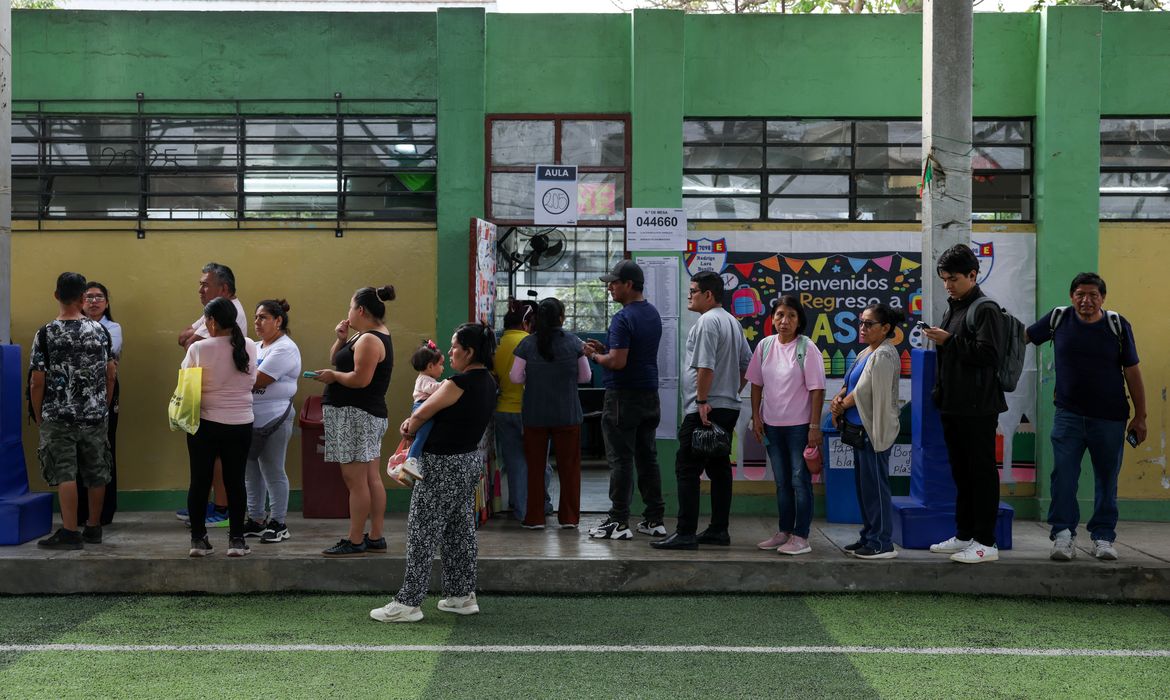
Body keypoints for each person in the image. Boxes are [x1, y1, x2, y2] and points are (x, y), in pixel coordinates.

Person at [370, 323, 498, 623]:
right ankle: (461, 595)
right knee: (460, 532)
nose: (450, 351)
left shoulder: (458, 382)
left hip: (441, 466)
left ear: (469, 352)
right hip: (467, 462)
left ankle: (408, 602)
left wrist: (410, 425)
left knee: (421, 533)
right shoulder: (489, 382)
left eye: (454, 347)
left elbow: (423, 412)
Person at [1025, 272, 1146, 562]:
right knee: (1063, 476)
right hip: (1068, 416)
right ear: (1071, 296)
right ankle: (1063, 535)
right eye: (1080, 294)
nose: (1086, 300)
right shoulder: (1059, 319)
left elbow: (1132, 372)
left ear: (1103, 298)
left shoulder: (1117, 325)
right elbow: (1023, 338)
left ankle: (1103, 537)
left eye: (1093, 295)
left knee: (1107, 479)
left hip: (1110, 418)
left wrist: (1140, 417)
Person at [652, 270, 751, 550]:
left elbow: (705, 365)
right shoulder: (732, 321)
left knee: (687, 468)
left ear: (709, 295)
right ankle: (719, 530)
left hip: (705, 409)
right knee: (719, 469)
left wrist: (703, 400)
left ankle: (685, 532)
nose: (689, 295)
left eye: (693, 291)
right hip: (726, 406)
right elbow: (748, 365)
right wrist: (731, 391)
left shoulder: (707, 322)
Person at [921, 244, 1007, 564]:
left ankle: (986, 542)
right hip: (954, 405)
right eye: (944, 278)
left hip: (979, 407)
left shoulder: (985, 308)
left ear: (973, 275)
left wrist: (950, 340)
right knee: (962, 473)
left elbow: (989, 355)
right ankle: (965, 534)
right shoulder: (954, 307)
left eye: (954, 278)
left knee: (981, 474)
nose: (948, 284)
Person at [29, 272, 115, 550]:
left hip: (59, 415)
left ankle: (69, 532)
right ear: (82, 298)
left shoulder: (46, 333)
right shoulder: (100, 331)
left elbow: (37, 380)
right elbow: (110, 373)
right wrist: (103, 404)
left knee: (65, 472)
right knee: (96, 471)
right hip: (95, 414)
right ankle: (93, 527)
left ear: (56, 295)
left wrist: (39, 412)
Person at [584, 260, 666, 541]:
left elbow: (618, 363)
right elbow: (629, 355)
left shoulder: (623, 317)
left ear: (629, 285)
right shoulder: (652, 314)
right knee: (647, 458)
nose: (610, 287)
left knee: (620, 459)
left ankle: (618, 521)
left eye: (614, 283)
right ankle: (654, 519)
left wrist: (594, 356)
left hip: (622, 398)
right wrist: (606, 349)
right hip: (649, 395)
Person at [314, 285, 396, 557]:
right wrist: (341, 339)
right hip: (361, 414)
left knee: (355, 480)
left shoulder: (371, 340)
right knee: (370, 477)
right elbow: (339, 360)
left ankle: (355, 539)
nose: (347, 313)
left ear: (361, 310)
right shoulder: (364, 335)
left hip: (357, 415)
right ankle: (375, 536)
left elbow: (360, 379)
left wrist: (333, 377)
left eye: (350, 307)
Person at [747, 296, 825, 556]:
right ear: (772, 318)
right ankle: (784, 532)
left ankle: (801, 536)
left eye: (791, 316)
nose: (785, 321)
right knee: (781, 482)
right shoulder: (765, 346)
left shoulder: (806, 347)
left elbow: (817, 390)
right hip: (772, 426)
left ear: (799, 320)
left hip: (799, 428)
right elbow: (756, 383)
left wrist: (814, 426)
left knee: (799, 481)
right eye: (780, 315)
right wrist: (757, 418)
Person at [181, 297, 258, 558]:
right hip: (240, 424)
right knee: (236, 481)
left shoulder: (199, 349)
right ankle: (237, 540)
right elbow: (253, 379)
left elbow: (185, 381)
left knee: (200, 482)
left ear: (211, 321)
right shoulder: (249, 345)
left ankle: (198, 540)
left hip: (204, 424)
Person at [175, 262, 247, 527]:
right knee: (215, 462)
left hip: (220, 405)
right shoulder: (214, 312)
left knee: (217, 462)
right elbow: (183, 337)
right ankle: (217, 508)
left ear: (224, 288)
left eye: (206, 284)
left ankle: (221, 508)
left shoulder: (231, 314)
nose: (201, 289)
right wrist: (191, 337)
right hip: (221, 405)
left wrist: (192, 339)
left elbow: (189, 343)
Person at [830, 304, 903, 560]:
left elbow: (865, 391)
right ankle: (869, 535)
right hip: (859, 431)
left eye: (869, 323)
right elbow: (850, 382)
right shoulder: (867, 352)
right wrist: (838, 399)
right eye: (861, 322)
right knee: (864, 487)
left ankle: (882, 542)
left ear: (885, 328)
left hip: (874, 431)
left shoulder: (884, 354)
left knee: (876, 487)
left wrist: (841, 404)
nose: (862, 327)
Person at [511, 297, 591, 530]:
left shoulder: (526, 344)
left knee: (535, 468)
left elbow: (515, 377)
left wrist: (533, 379)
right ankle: (568, 518)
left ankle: (535, 518)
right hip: (567, 415)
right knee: (569, 468)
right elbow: (585, 377)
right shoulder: (575, 343)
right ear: (561, 318)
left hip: (535, 414)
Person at [242, 299, 301, 545]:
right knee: (250, 471)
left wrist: (234, 375)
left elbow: (260, 379)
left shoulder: (285, 348)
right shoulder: (255, 347)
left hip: (274, 417)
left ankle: (278, 522)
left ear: (278, 321)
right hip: (249, 417)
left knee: (272, 470)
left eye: (263, 317)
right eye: (256, 317)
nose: (257, 322)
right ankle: (256, 519)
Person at [494, 300, 553, 522]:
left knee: (515, 463)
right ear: (526, 322)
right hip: (531, 412)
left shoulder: (496, 345)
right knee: (539, 462)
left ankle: (521, 510)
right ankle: (541, 506)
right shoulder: (531, 343)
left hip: (503, 411)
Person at [76, 281, 121, 527]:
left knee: (104, 447)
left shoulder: (113, 328)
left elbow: (106, 353)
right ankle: (80, 510)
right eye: (89, 297)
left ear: (107, 302)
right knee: (78, 451)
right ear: (80, 302)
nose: (94, 301)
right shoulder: (68, 326)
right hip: (77, 393)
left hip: (106, 388)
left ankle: (104, 512)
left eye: (99, 297)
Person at [387, 340, 445, 483]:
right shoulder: (424, 380)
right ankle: (411, 462)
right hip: (421, 407)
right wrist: (447, 384)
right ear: (430, 366)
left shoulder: (426, 378)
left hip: (423, 407)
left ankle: (411, 464)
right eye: (441, 365)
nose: (443, 368)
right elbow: (435, 389)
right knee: (422, 435)